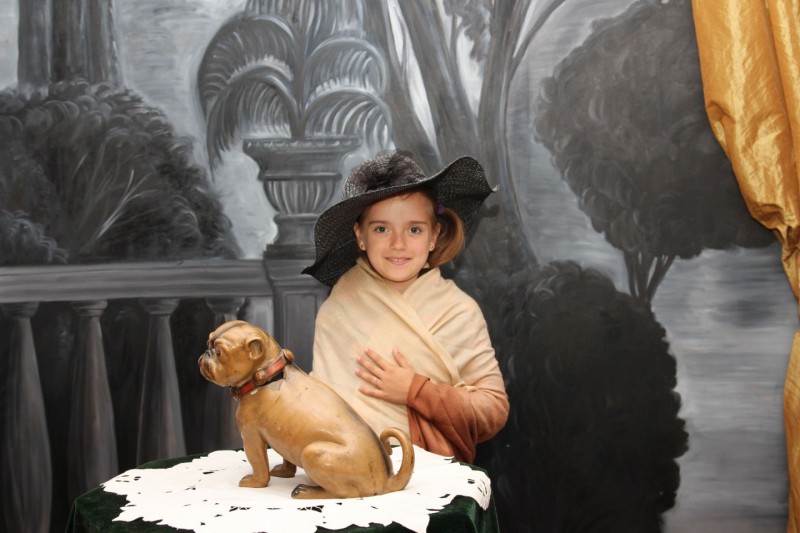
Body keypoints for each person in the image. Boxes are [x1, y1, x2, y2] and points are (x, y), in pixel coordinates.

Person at [303, 151, 509, 464]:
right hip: (343, 470)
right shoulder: (338, 308)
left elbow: (493, 410)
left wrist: (416, 391)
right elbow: (320, 404)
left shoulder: (459, 312)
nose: (398, 244)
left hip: (428, 475)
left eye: (414, 229)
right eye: (381, 229)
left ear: (433, 236)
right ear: (360, 236)